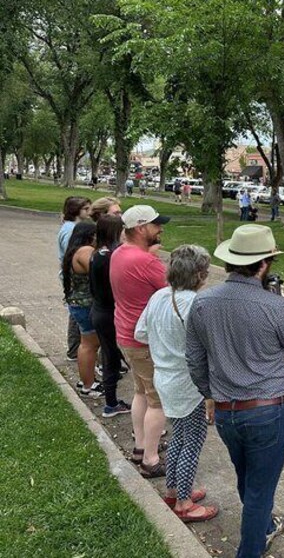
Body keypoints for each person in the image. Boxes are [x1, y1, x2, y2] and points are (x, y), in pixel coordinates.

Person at [187, 224, 284, 558]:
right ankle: (251, 548)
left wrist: (209, 393)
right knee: (260, 488)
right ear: (265, 263)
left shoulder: (202, 302)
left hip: (226, 411)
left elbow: (194, 359)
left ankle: (263, 525)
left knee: (248, 477)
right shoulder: (277, 306)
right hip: (268, 411)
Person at [135, 245, 218, 523]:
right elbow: (210, 345)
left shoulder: (159, 295)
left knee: (178, 438)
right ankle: (183, 503)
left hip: (164, 377)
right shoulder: (196, 303)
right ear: (199, 274)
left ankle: (174, 491)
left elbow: (140, 333)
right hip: (189, 384)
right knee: (192, 442)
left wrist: (165, 345)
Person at [111, 205, 171, 478]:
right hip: (145, 341)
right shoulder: (146, 262)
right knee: (157, 401)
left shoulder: (119, 253)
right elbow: (173, 291)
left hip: (126, 335)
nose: (160, 229)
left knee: (141, 392)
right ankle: (150, 460)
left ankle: (141, 446)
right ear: (140, 228)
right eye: (156, 225)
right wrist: (154, 259)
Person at [90, 215, 133, 418]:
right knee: (112, 358)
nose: (125, 232)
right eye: (122, 229)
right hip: (108, 313)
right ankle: (111, 403)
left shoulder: (98, 253)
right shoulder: (109, 257)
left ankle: (111, 401)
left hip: (100, 309)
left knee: (111, 356)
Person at [62, 222, 102, 397]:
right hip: (86, 305)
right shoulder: (85, 251)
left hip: (79, 304)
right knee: (89, 345)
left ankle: (86, 379)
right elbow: (98, 272)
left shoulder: (74, 251)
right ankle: (88, 385)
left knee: (88, 344)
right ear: (89, 235)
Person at [58, 196, 92, 362]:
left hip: (73, 278)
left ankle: (74, 348)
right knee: (76, 312)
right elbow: (71, 254)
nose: (89, 212)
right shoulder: (71, 230)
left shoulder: (71, 227)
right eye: (86, 209)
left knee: (76, 312)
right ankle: (73, 349)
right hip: (75, 279)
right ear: (76, 211)